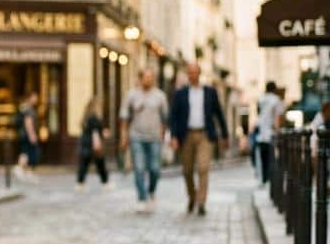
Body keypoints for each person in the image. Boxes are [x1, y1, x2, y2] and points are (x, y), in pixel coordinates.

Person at [169, 62, 229, 216]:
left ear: (200, 73)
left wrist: (224, 135)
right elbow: (173, 117)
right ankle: (192, 197)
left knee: (203, 168)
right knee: (187, 170)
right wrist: (173, 136)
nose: (192, 75)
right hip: (186, 135)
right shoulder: (180, 93)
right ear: (187, 74)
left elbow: (219, 114)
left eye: (195, 72)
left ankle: (201, 202)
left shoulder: (210, 92)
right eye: (190, 72)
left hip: (205, 135)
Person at [120, 68, 168, 213]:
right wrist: (124, 136)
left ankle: (151, 190)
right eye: (145, 77)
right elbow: (124, 117)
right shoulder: (131, 95)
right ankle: (142, 198)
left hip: (154, 138)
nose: (148, 80)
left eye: (150, 77)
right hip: (136, 137)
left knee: (155, 169)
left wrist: (163, 135)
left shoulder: (160, 96)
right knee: (139, 168)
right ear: (140, 78)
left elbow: (164, 118)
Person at [255, 81, 285, 185]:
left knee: (262, 157)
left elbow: (258, 113)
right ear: (274, 89)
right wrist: (278, 130)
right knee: (271, 157)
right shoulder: (276, 100)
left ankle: (263, 179)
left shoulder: (261, 98)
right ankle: (269, 179)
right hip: (270, 133)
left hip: (260, 132)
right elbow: (278, 117)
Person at [76, 97, 109, 190]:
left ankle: (80, 183)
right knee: (100, 163)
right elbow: (95, 132)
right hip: (92, 143)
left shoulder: (86, 116)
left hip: (85, 143)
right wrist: (97, 143)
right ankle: (105, 183)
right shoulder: (94, 117)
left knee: (84, 164)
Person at [13, 92, 41, 181]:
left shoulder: (23, 107)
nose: (36, 99)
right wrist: (32, 135)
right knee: (28, 153)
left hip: (23, 134)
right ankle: (19, 169)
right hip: (27, 135)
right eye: (35, 97)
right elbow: (28, 122)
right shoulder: (28, 109)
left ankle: (26, 172)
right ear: (30, 98)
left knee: (25, 152)